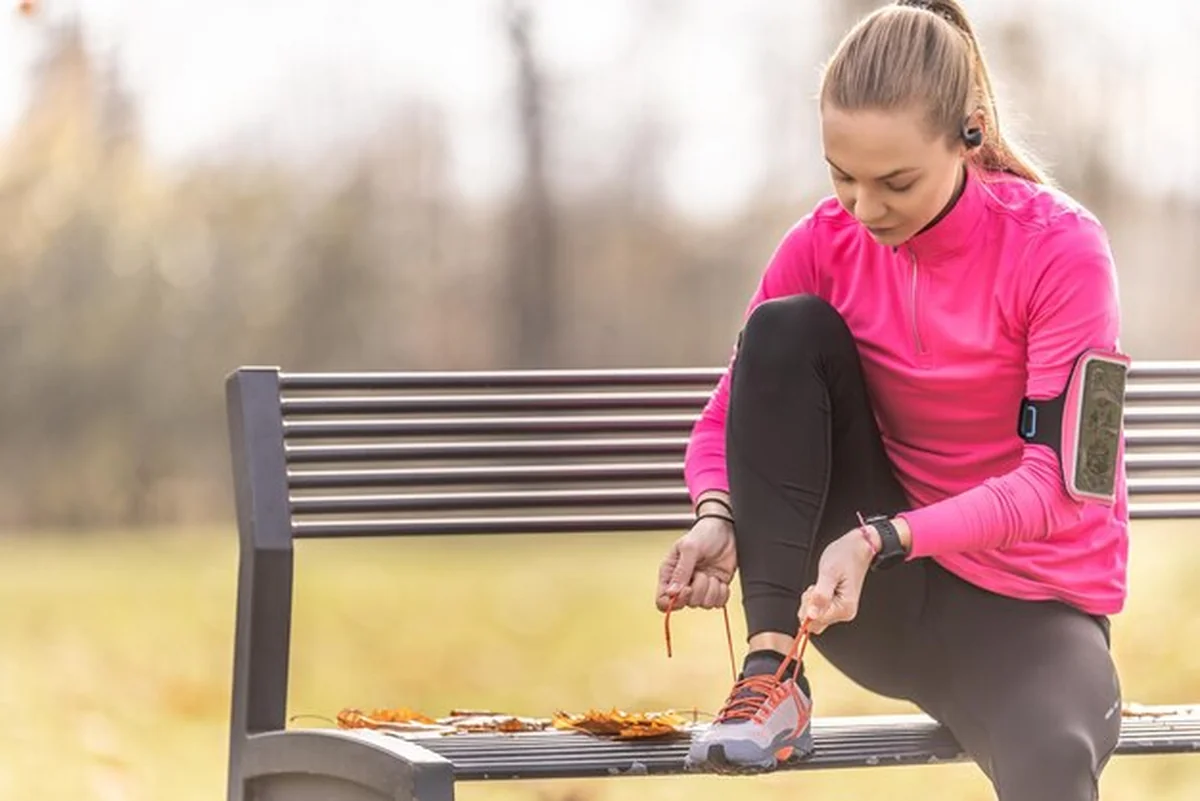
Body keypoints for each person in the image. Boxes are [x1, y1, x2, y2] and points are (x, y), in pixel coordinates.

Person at [653, 1, 1130, 799]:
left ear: (968, 133)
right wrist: (717, 511)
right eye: (843, 176)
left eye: (896, 181)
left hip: (1026, 615)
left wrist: (886, 536)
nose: (865, 210)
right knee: (784, 328)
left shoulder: (1063, 250)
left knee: (1053, 761)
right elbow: (726, 418)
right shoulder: (820, 243)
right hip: (861, 605)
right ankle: (772, 673)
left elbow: (1060, 487)